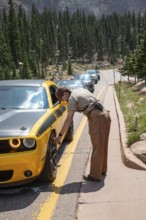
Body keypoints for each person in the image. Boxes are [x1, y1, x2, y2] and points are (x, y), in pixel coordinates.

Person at [55, 86, 111, 182]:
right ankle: (102, 170)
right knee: (103, 145)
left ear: (65, 93)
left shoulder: (71, 99)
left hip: (97, 118)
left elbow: (69, 119)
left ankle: (94, 175)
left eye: (62, 98)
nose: (63, 101)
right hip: (106, 114)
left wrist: (60, 136)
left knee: (97, 146)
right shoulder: (79, 90)